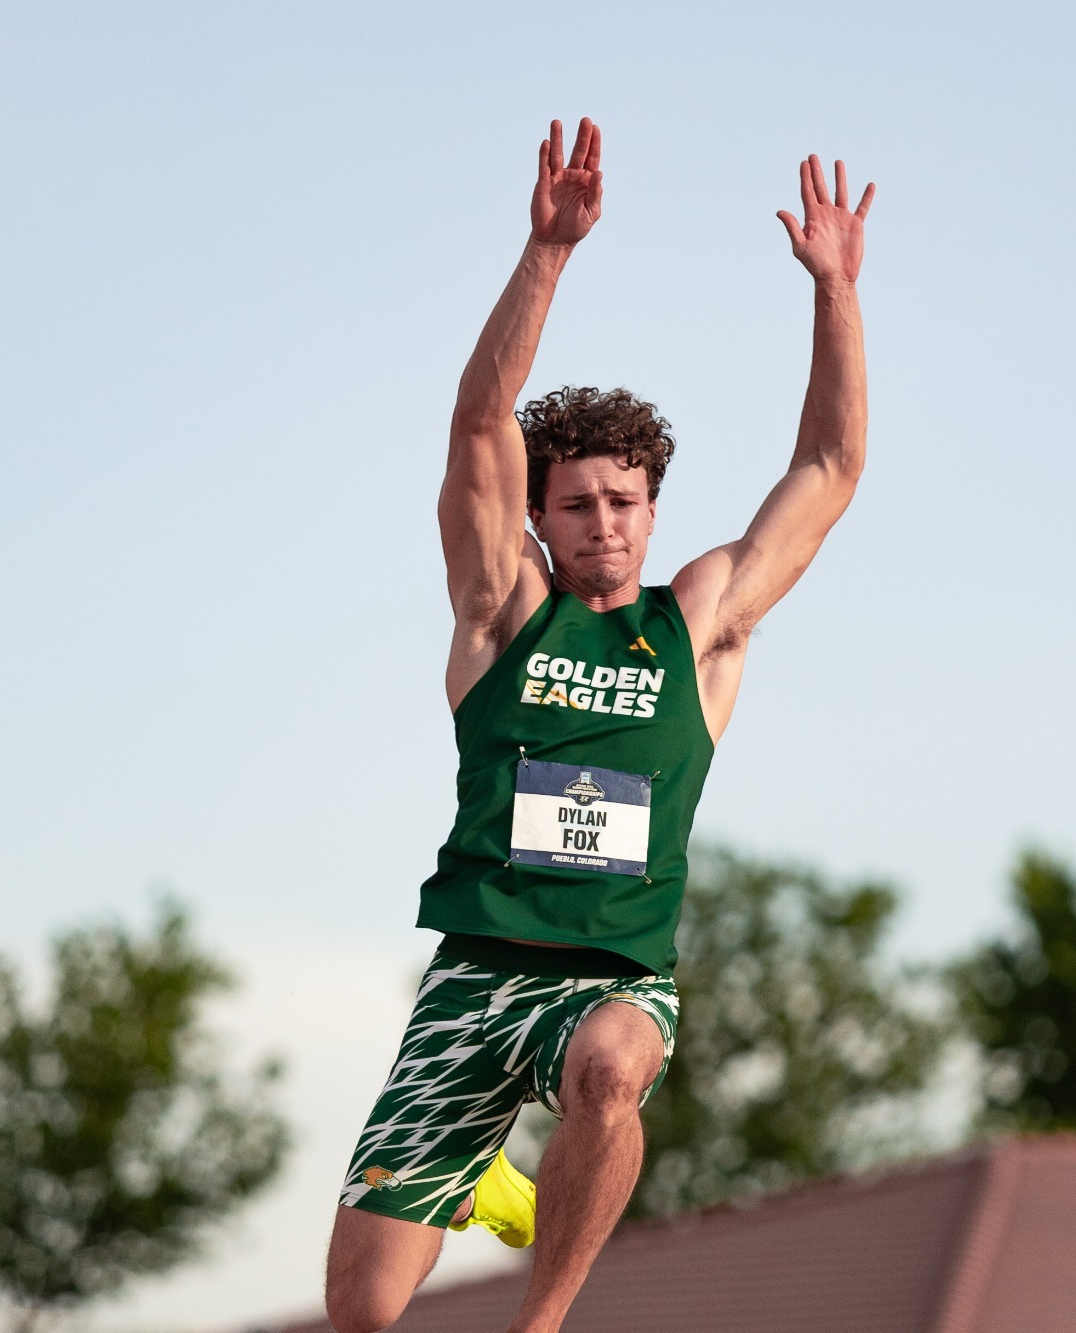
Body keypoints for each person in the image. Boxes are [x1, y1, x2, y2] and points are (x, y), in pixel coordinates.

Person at [323, 116, 874, 1333]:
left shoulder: (701, 627)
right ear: (542, 516)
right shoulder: (499, 612)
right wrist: (547, 254)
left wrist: (833, 292)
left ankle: (542, 1320)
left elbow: (830, 469)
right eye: (572, 504)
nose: (602, 524)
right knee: (360, 1313)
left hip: (612, 979)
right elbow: (477, 430)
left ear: (650, 504)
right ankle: (481, 1176)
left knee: (610, 1071)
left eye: (622, 501)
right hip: (474, 978)